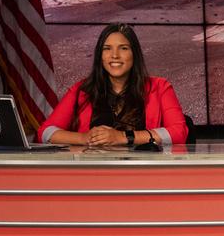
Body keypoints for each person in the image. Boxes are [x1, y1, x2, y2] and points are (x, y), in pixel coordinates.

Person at [39, 23, 188, 148]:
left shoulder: (160, 87)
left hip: (143, 174)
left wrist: (123, 137)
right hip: (94, 175)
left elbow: (178, 133)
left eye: (123, 48)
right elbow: (45, 132)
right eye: (107, 48)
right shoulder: (81, 90)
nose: (114, 55)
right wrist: (85, 138)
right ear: (100, 56)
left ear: (134, 54)